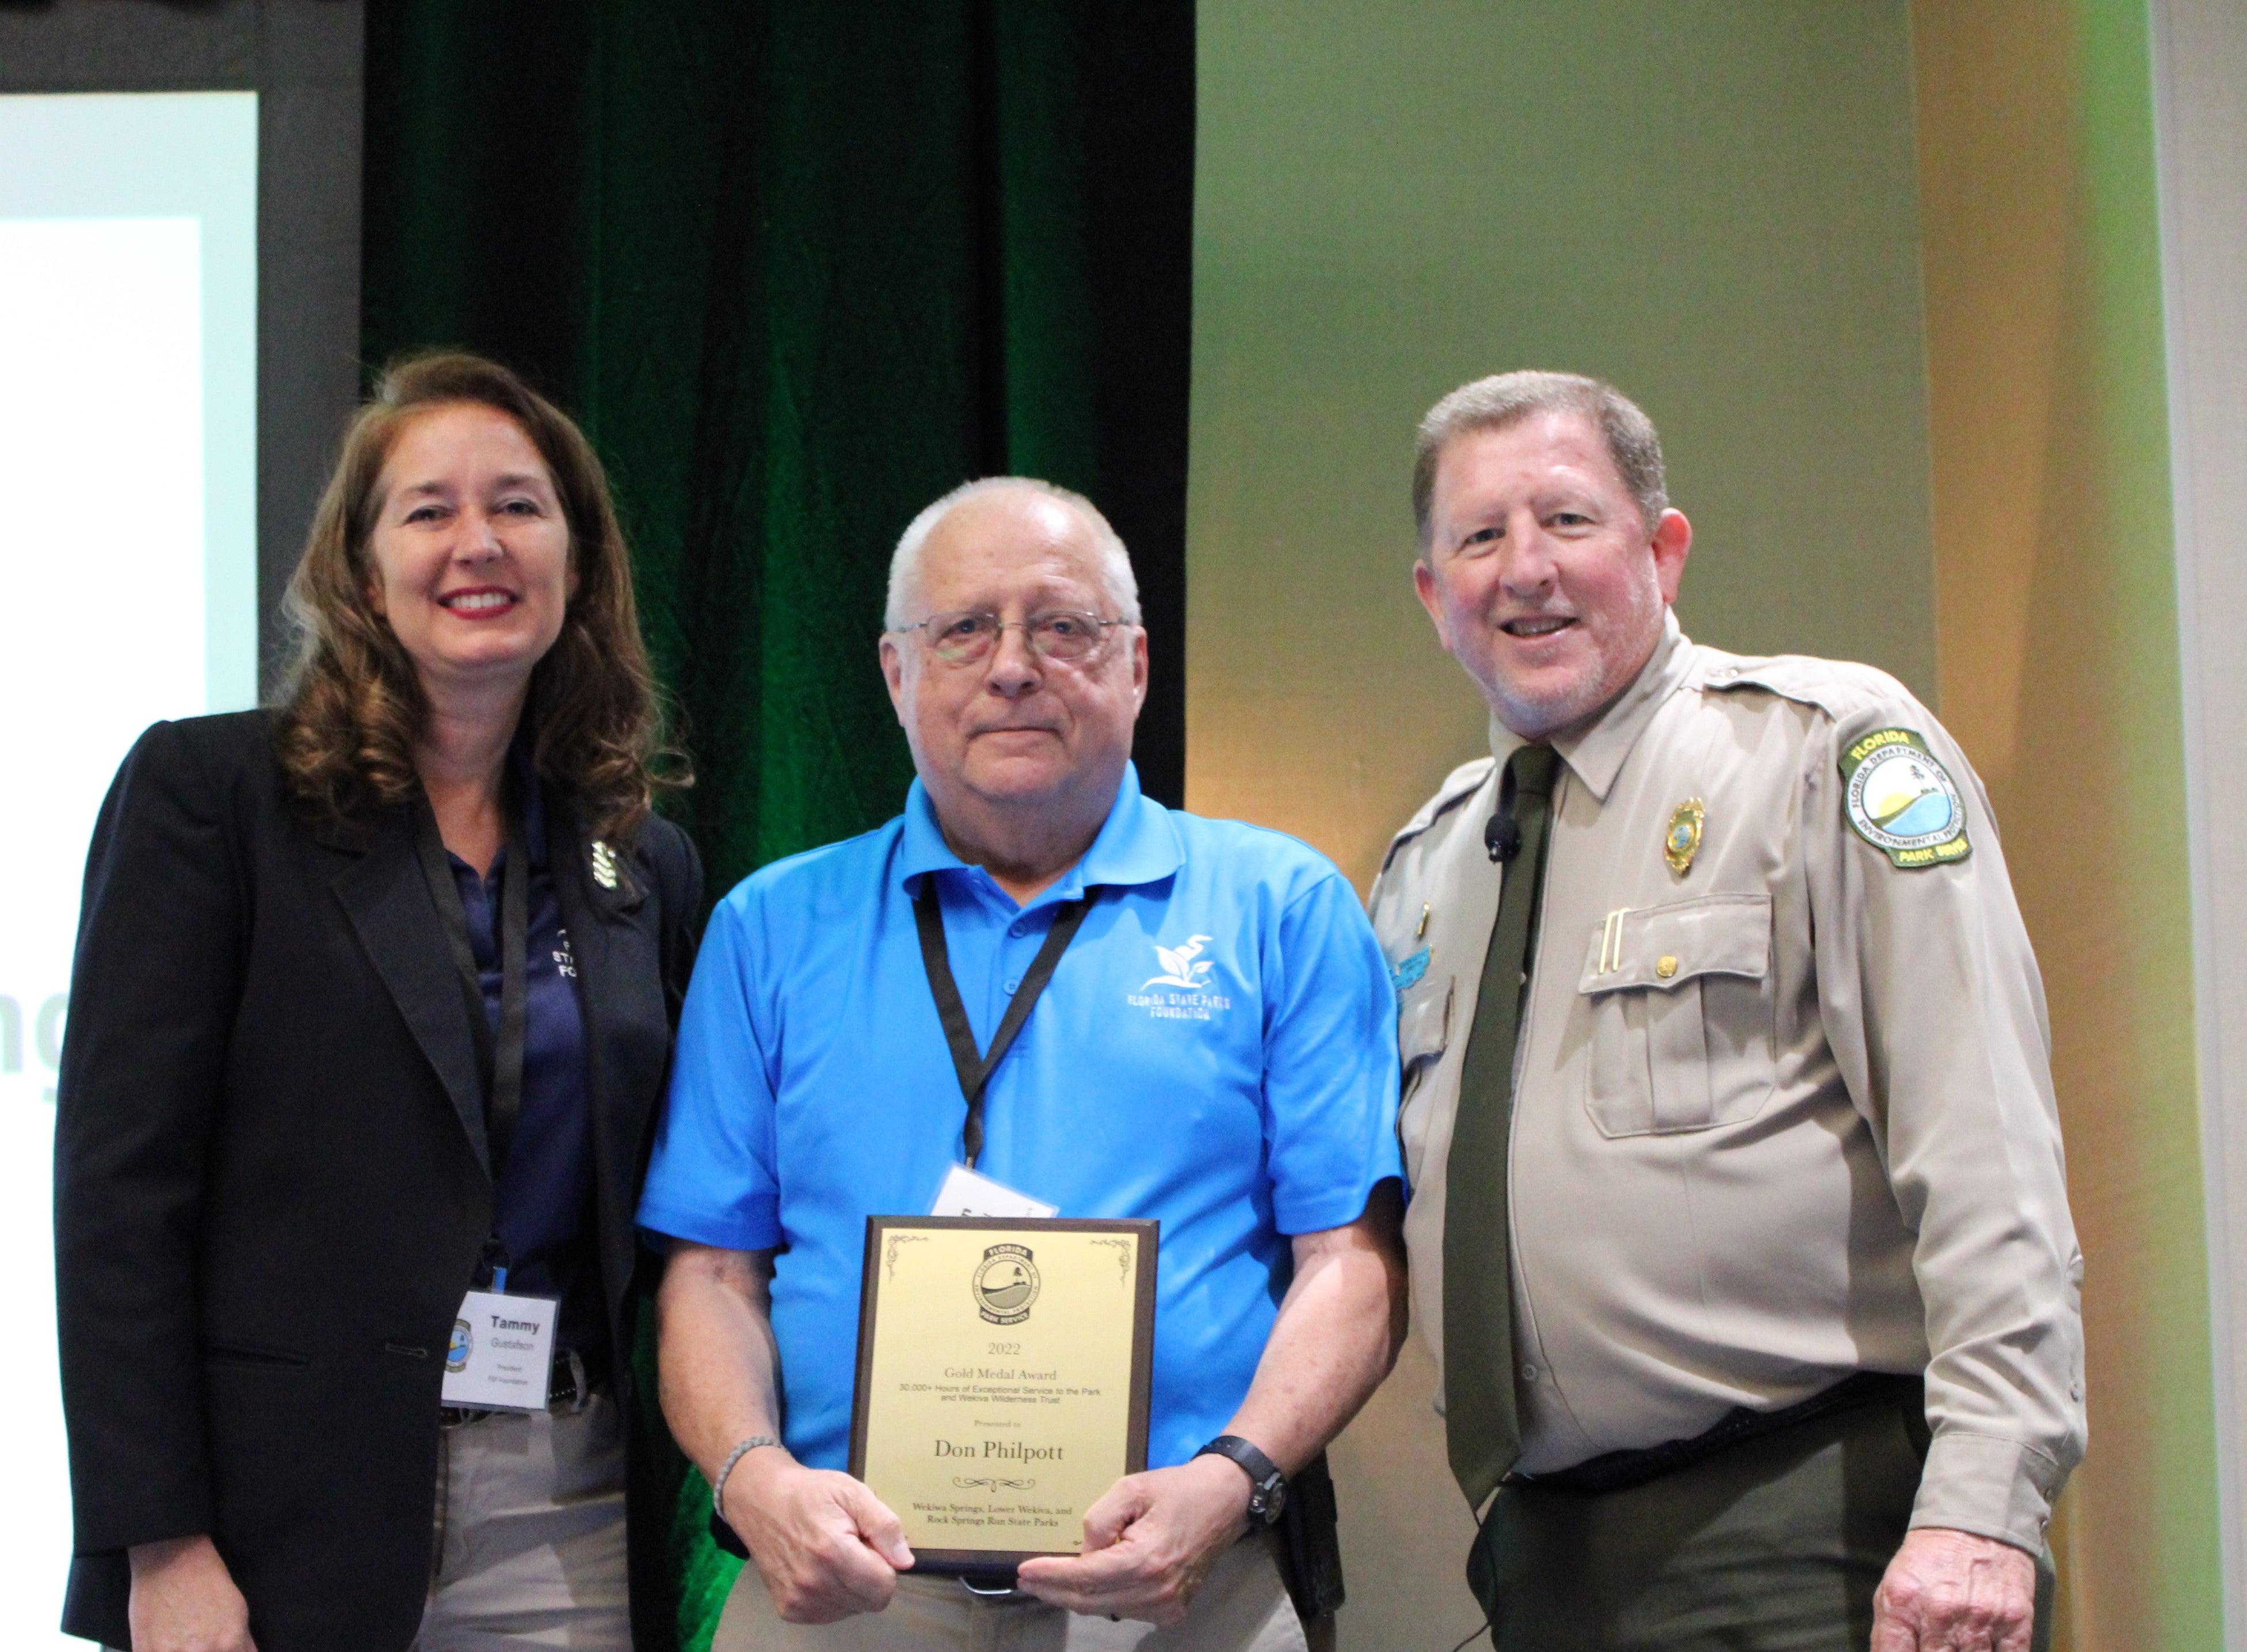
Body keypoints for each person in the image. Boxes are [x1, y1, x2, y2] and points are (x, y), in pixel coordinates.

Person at [1370, 371, 2084, 1652]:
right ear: (1433, 593)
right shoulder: (1424, 872)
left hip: (1815, 1533)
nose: (1524, 567)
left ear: (1664, 548)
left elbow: (1988, 1159)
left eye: (1569, 521)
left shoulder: (1822, 752)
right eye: (1480, 537)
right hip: (1544, 1562)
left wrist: (1985, 1506)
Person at [640, 477, 1407, 1651]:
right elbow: (709, 1274)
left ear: (1137, 665)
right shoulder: (771, 927)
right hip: (852, 1594)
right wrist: (753, 1481)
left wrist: (1231, 1475)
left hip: (1178, 1590)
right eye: (963, 629)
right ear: (897, 673)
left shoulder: (1281, 906)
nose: (1012, 666)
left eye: (1062, 627)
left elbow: (1349, 1261)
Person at [54, 352, 702, 1652]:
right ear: (359, 570)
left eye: (520, 505)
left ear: (576, 560)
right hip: (273, 1517)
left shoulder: (640, 858)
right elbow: (120, 1198)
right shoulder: (213, 796)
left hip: (565, 1492)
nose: (481, 542)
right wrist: (159, 1539)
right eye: (430, 509)